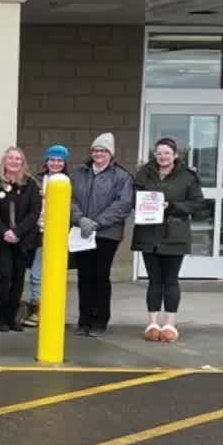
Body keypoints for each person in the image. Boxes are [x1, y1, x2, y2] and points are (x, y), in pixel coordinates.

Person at [132, 137, 205, 343]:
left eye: (166, 153)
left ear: (175, 155)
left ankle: (170, 324)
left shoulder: (188, 176)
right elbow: (134, 196)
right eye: (159, 153)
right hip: (149, 233)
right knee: (154, 280)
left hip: (175, 234)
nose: (162, 156)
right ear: (154, 155)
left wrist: (172, 206)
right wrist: (143, 203)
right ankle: (153, 322)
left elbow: (198, 203)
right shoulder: (144, 173)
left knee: (170, 280)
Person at [70, 132, 134, 337]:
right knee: (84, 276)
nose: (99, 154)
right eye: (95, 150)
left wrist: (97, 223)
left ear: (111, 154)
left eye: (103, 150)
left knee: (100, 276)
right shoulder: (79, 173)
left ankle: (100, 320)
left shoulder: (121, 176)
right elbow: (69, 200)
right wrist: (81, 219)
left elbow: (123, 205)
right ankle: (84, 320)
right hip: (81, 231)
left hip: (107, 234)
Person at [0, 148, 41, 332]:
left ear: (23, 162)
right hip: (0, 240)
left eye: (18, 159)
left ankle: (12, 317)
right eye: (11, 158)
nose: (14, 161)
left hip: (23, 240)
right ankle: (1, 317)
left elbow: (34, 212)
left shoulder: (31, 184)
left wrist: (17, 232)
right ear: (4, 161)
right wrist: (5, 232)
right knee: (5, 276)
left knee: (18, 279)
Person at [20, 145, 70, 328]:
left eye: (59, 160)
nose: (55, 163)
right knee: (36, 274)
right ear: (46, 161)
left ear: (64, 163)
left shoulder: (68, 181)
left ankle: (53, 311)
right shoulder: (36, 181)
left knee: (54, 274)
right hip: (36, 232)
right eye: (52, 159)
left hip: (58, 233)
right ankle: (37, 310)